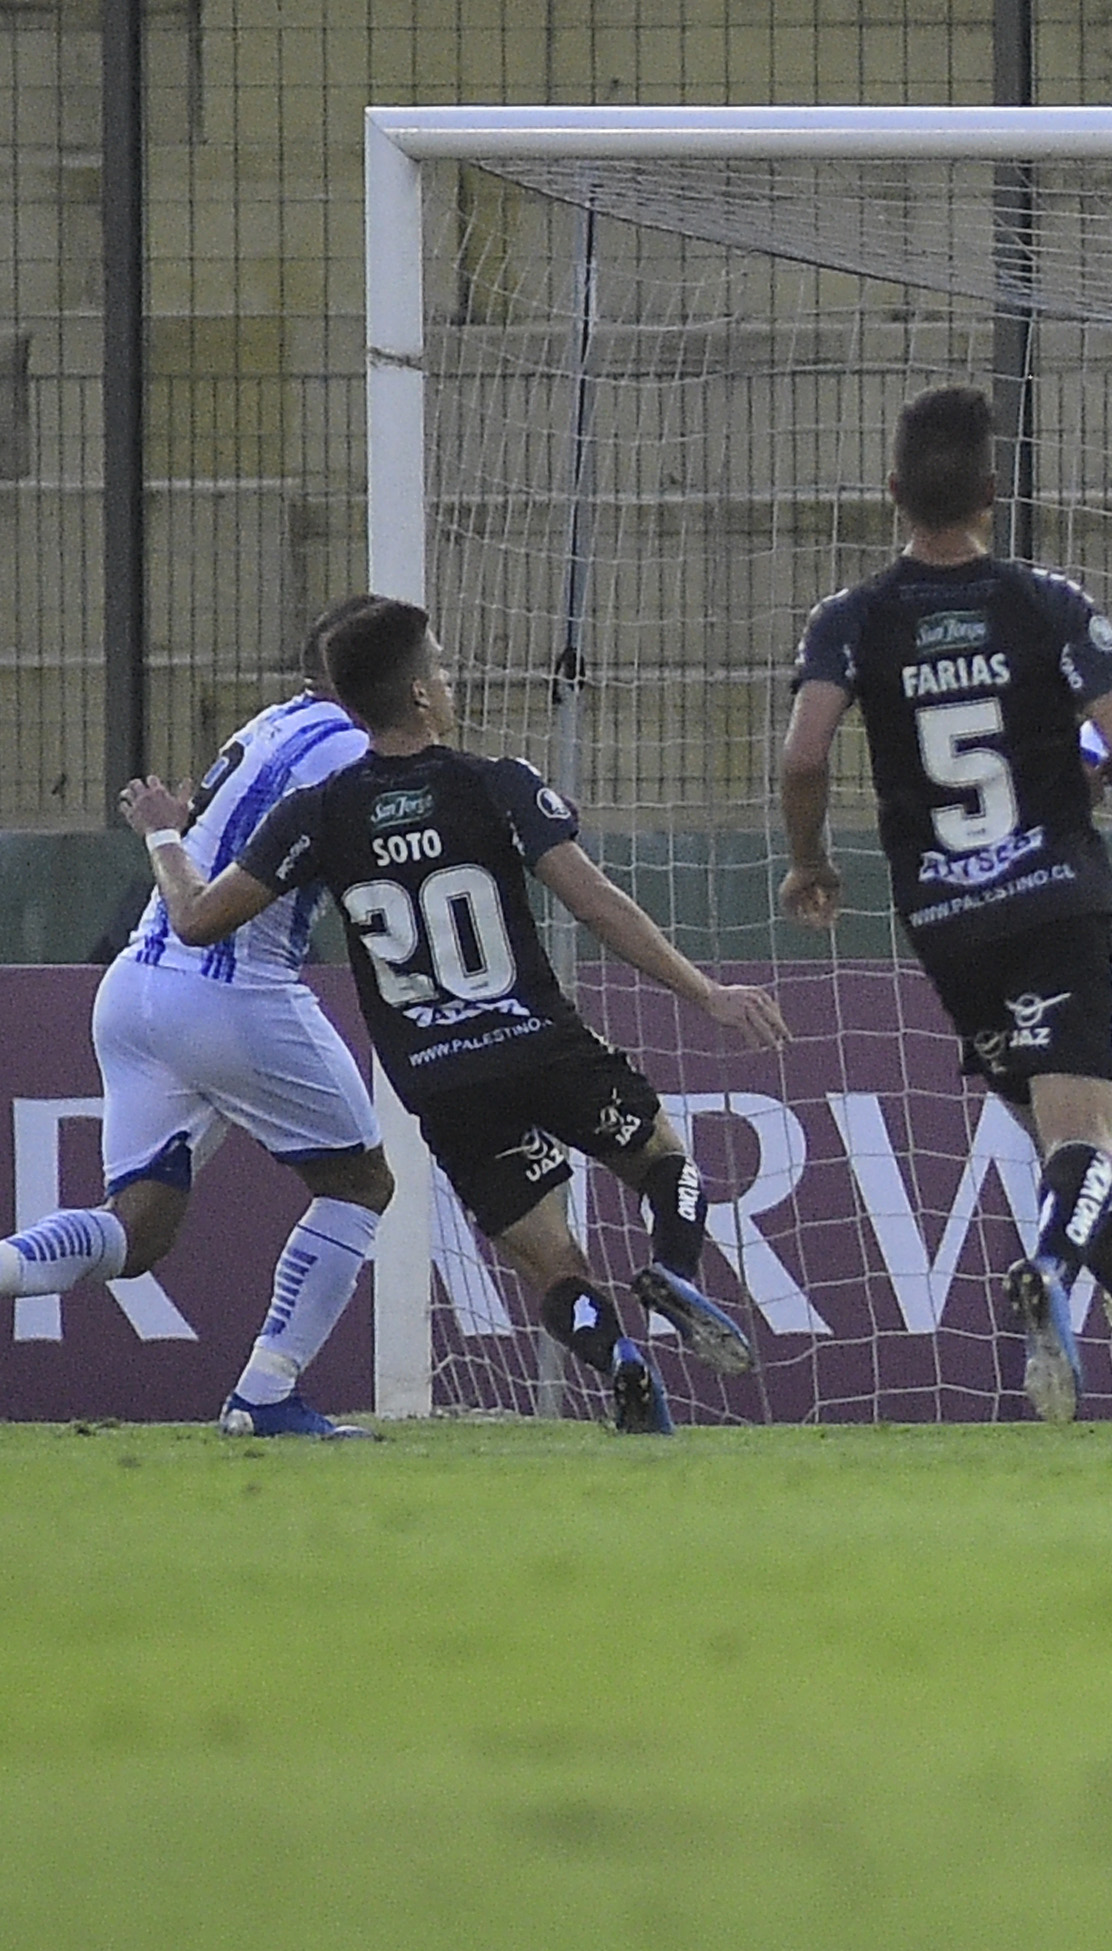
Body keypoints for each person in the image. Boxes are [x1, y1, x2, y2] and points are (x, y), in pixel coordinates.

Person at [152, 598, 784, 1434]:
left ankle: (619, 1360)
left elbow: (196, 920)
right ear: (418, 695)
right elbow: (596, 906)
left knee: (550, 1265)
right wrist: (706, 992)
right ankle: (673, 1268)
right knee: (667, 1161)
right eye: (440, 669)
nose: (448, 684)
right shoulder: (495, 783)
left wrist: (165, 836)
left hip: (442, 1079)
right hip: (539, 1041)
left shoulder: (319, 812)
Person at [778, 385, 1112, 1432]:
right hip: (1052, 899)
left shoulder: (850, 620)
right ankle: (1047, 1270)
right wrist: (1080, 781)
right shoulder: (1043, 601)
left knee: (1062, 1151)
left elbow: (805, 751)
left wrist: (809, 858)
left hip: (945, 919)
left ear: (893, 491)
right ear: (994, 491)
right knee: (1084, 1145)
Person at [0, 598, 394, 1440]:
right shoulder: (356, 754)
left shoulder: (268, 723)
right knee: (361, 1182)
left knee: (135, 1231)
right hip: (232, 988)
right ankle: (265, 1394)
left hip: (135, 988)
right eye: (424, 663)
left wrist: (161, 841)